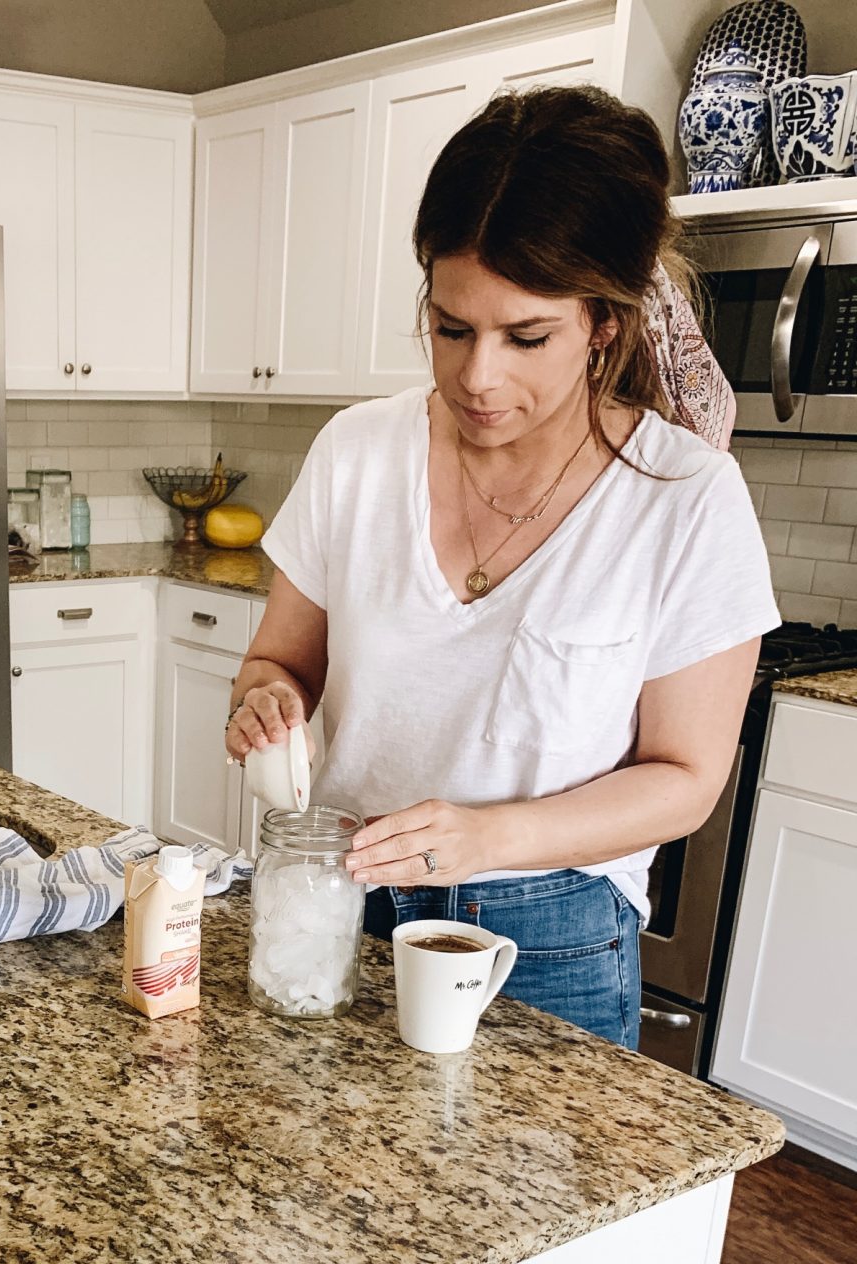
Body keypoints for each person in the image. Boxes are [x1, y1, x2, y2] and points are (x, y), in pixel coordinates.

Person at [223, 85, 779, 1049]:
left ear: (604, 322)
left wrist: (485, 838)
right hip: (338, 899)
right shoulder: (359, 452)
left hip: (546, 938)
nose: (479, 376)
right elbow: (282, 663)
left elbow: (686, 779)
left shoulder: (685, 499)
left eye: (526, 338)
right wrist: (268, 698)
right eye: (451, 328)